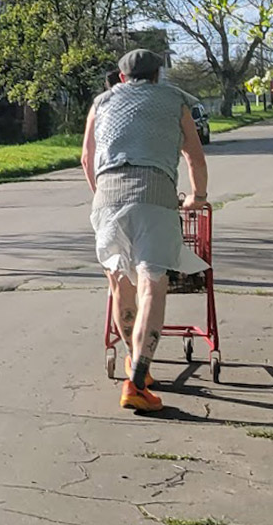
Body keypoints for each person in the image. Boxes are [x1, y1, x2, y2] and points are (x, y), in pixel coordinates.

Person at [82, 49, 210, 413]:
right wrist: (197, 197)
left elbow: (86, 158)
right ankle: (137, 379)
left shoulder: (101, 102)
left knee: (120, 283)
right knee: (152, 283)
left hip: (107, 198)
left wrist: (102, 196)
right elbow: (194, 156)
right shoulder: (174, 100)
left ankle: (133, 361)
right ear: (158, 76)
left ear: (122, 78)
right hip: (154, 196)